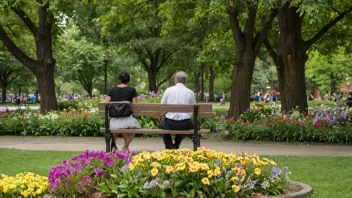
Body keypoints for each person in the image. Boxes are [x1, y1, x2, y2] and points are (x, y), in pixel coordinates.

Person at [159, 71, 196, 149]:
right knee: (193, 126)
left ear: (175, 80)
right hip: (184, 124)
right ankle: (177, 143)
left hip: (169, 123)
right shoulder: (190, 92)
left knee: (162, 124)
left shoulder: (168, 90)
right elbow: (193, 110)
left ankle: (169, 145)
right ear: (185, 82)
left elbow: (162, 107)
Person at [105, 72, 140, 151]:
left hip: (115, 120)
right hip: (127, 119)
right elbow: (135, 106)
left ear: (119, 80)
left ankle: (113, 145)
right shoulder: (132, 90)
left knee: (117, 127)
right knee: (135, 128)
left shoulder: (112, 89)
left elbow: (106, 103)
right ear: (129, 81)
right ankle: (126, 146)